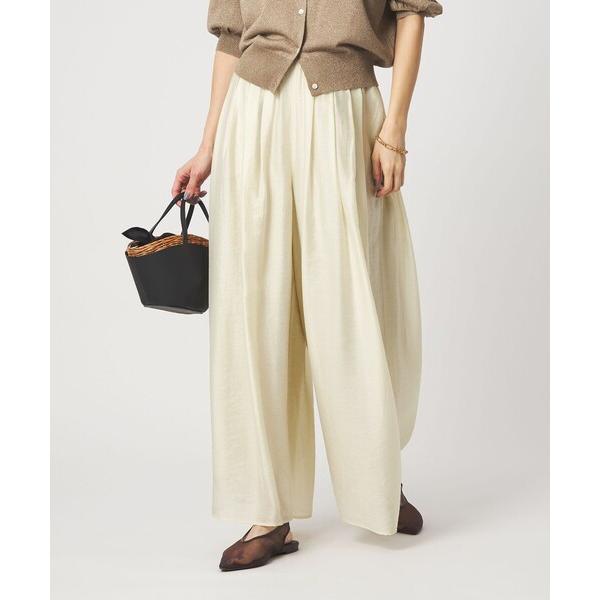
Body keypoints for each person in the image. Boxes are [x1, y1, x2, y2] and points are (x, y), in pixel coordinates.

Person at [172, 0, 443, 572]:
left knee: (352, 304)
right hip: (254, 114)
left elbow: (411, 12)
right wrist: (208, 145)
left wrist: (394, 129)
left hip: (345, 113)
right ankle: (267, 512)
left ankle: (379, 480)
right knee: (257, 309)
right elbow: (231, 40)